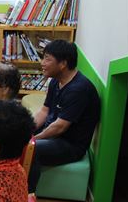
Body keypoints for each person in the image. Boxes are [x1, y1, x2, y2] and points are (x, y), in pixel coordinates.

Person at [27, 40, 100, 192]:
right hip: (53, 133)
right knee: (14, 135)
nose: (42, 63)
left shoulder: (78, 89)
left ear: (63, 64)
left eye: (47, 59)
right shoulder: (55, 81)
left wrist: (32, 140)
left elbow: (60, 127)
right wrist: (27, 130)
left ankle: (27, 194)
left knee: (31, 149)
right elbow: (44, 112)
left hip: (70, 144)